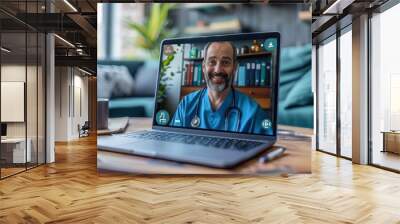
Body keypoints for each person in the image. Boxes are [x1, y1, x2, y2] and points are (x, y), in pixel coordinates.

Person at [170, 41, 272, 135]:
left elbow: (266, 149)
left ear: (235, 67)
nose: (218, 70)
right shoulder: (186, 105)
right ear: (203, 67)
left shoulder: (253, 112)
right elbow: (173, 142)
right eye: (212, 62)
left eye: (225, 62)